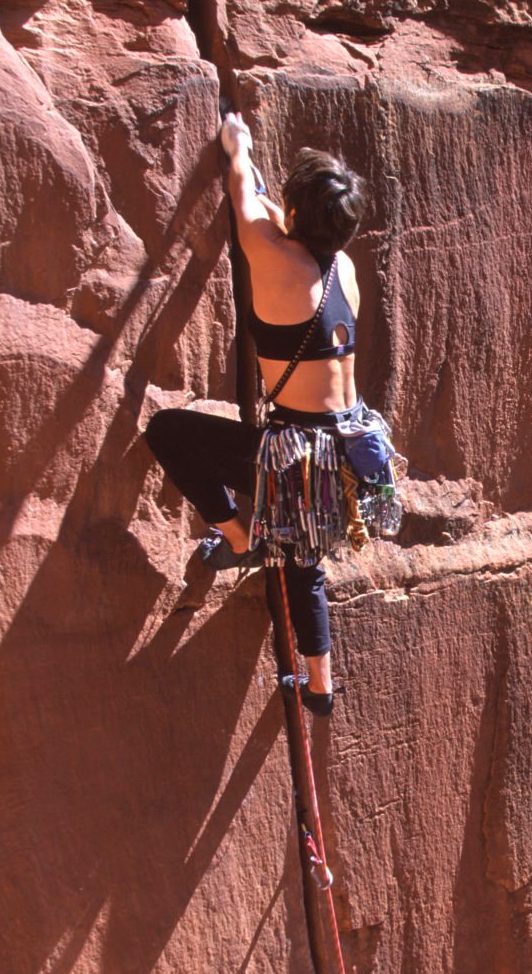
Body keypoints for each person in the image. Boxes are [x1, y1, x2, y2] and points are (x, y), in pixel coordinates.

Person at [144, 112, 366, 715]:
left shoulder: (274, 259)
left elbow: (246, 191)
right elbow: (276, 215)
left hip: (298, 457)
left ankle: (238, 534)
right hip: (347, 450)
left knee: (166, 431)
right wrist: (285, 204)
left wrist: (237, 145)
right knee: (304, 564)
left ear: (295, 215)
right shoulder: (340, 267)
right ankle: (319, 689)